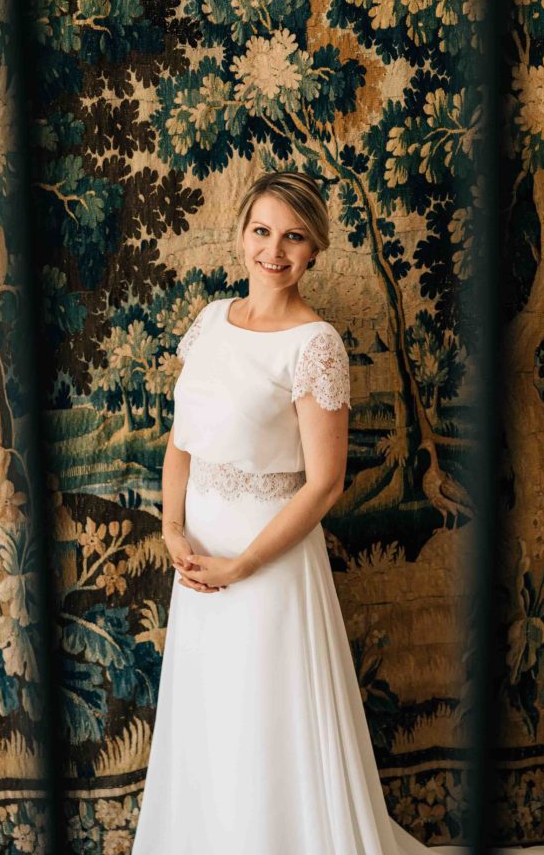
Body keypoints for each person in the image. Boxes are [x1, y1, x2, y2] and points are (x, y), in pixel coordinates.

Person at [131, 171, 466, 855]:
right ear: (240, 236)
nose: (273, 250)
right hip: (196, 558)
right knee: (211, 718)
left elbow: (325, 483)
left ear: (314, 249)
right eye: (261, 231)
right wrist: (171, 529)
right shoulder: (208, 322)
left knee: (266, 721)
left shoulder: (314, 345)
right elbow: (180, 439)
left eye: (292, 236)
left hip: (267, 563)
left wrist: (242, 565)